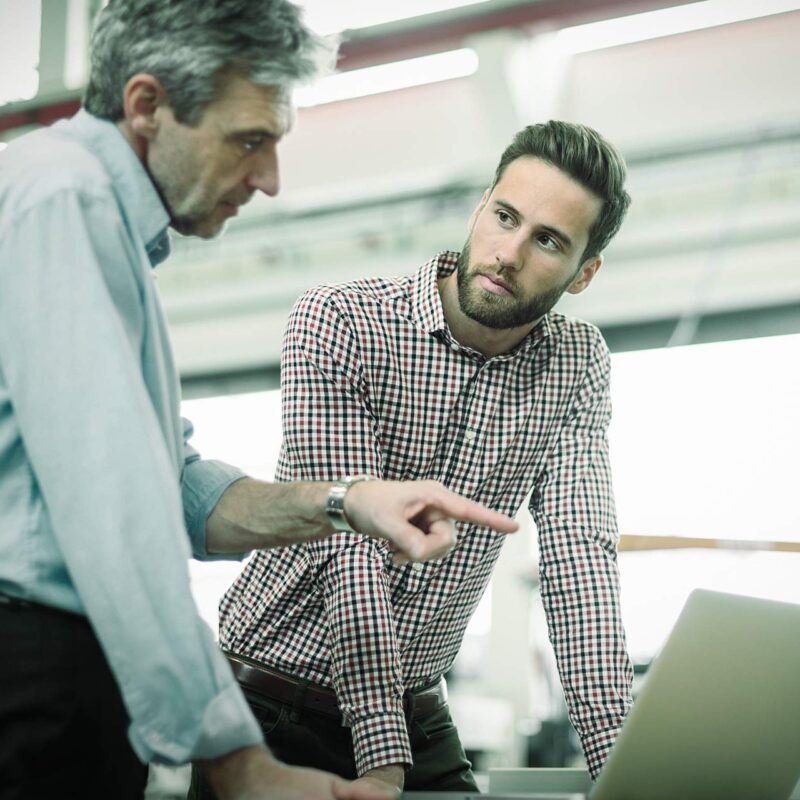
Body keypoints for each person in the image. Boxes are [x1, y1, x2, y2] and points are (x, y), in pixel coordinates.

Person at [0, 2, 518, 799]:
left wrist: (349, 503)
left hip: (64, 675)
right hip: (32, 670)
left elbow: (174, 488)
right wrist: (236, 759)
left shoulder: (91, 220)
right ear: (147, 106)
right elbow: (118, 511)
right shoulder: (63, 200)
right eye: (250, 139)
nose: (270, 179)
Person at [191, 120, 636, 798]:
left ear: (585, 273)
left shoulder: (574, 364)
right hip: (268, 708)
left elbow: (580, 561)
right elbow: (353, 550)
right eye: (504, 216)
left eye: (548, 240)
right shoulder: (340, 322)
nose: (509, 252)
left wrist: (626, 774)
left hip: (416, 708)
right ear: (479, 207)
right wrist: (382, 761)